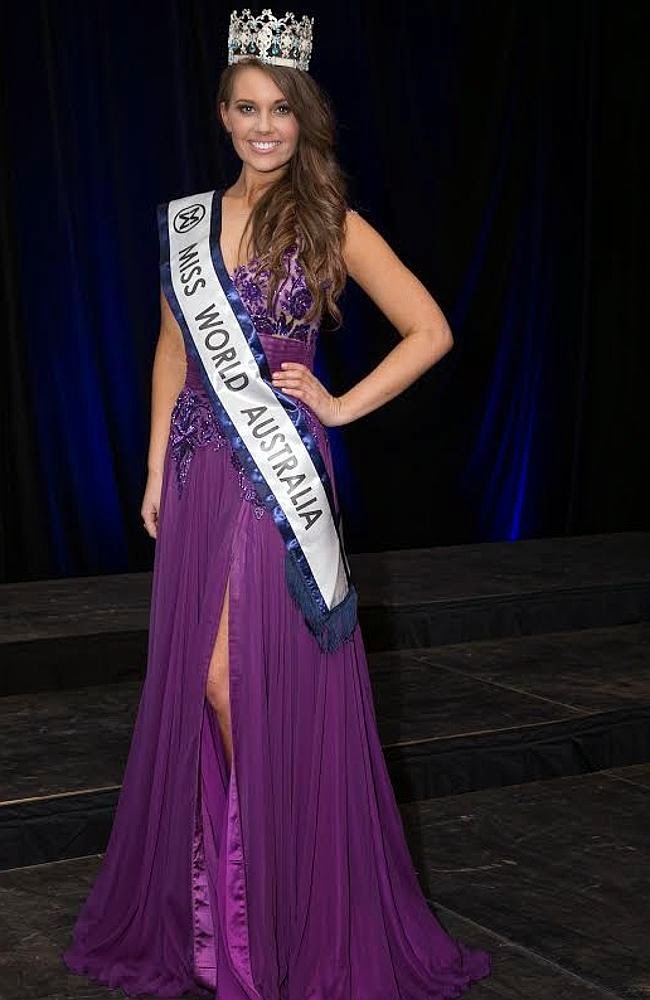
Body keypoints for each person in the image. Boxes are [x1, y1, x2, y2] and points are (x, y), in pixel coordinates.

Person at [62, 9, 491, 998]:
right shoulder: (185, 223)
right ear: (222, 114)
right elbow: (173, 347)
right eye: (248, 108)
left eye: (282, 110)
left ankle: (286, 890)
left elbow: (429, 329)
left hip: (277, 472)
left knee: (237, 678)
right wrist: (154, 470)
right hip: (197, 463)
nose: (265, 127)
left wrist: (337, 404)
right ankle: (248, 898)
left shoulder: (329, 221)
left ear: (303, 118)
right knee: (202, 680)